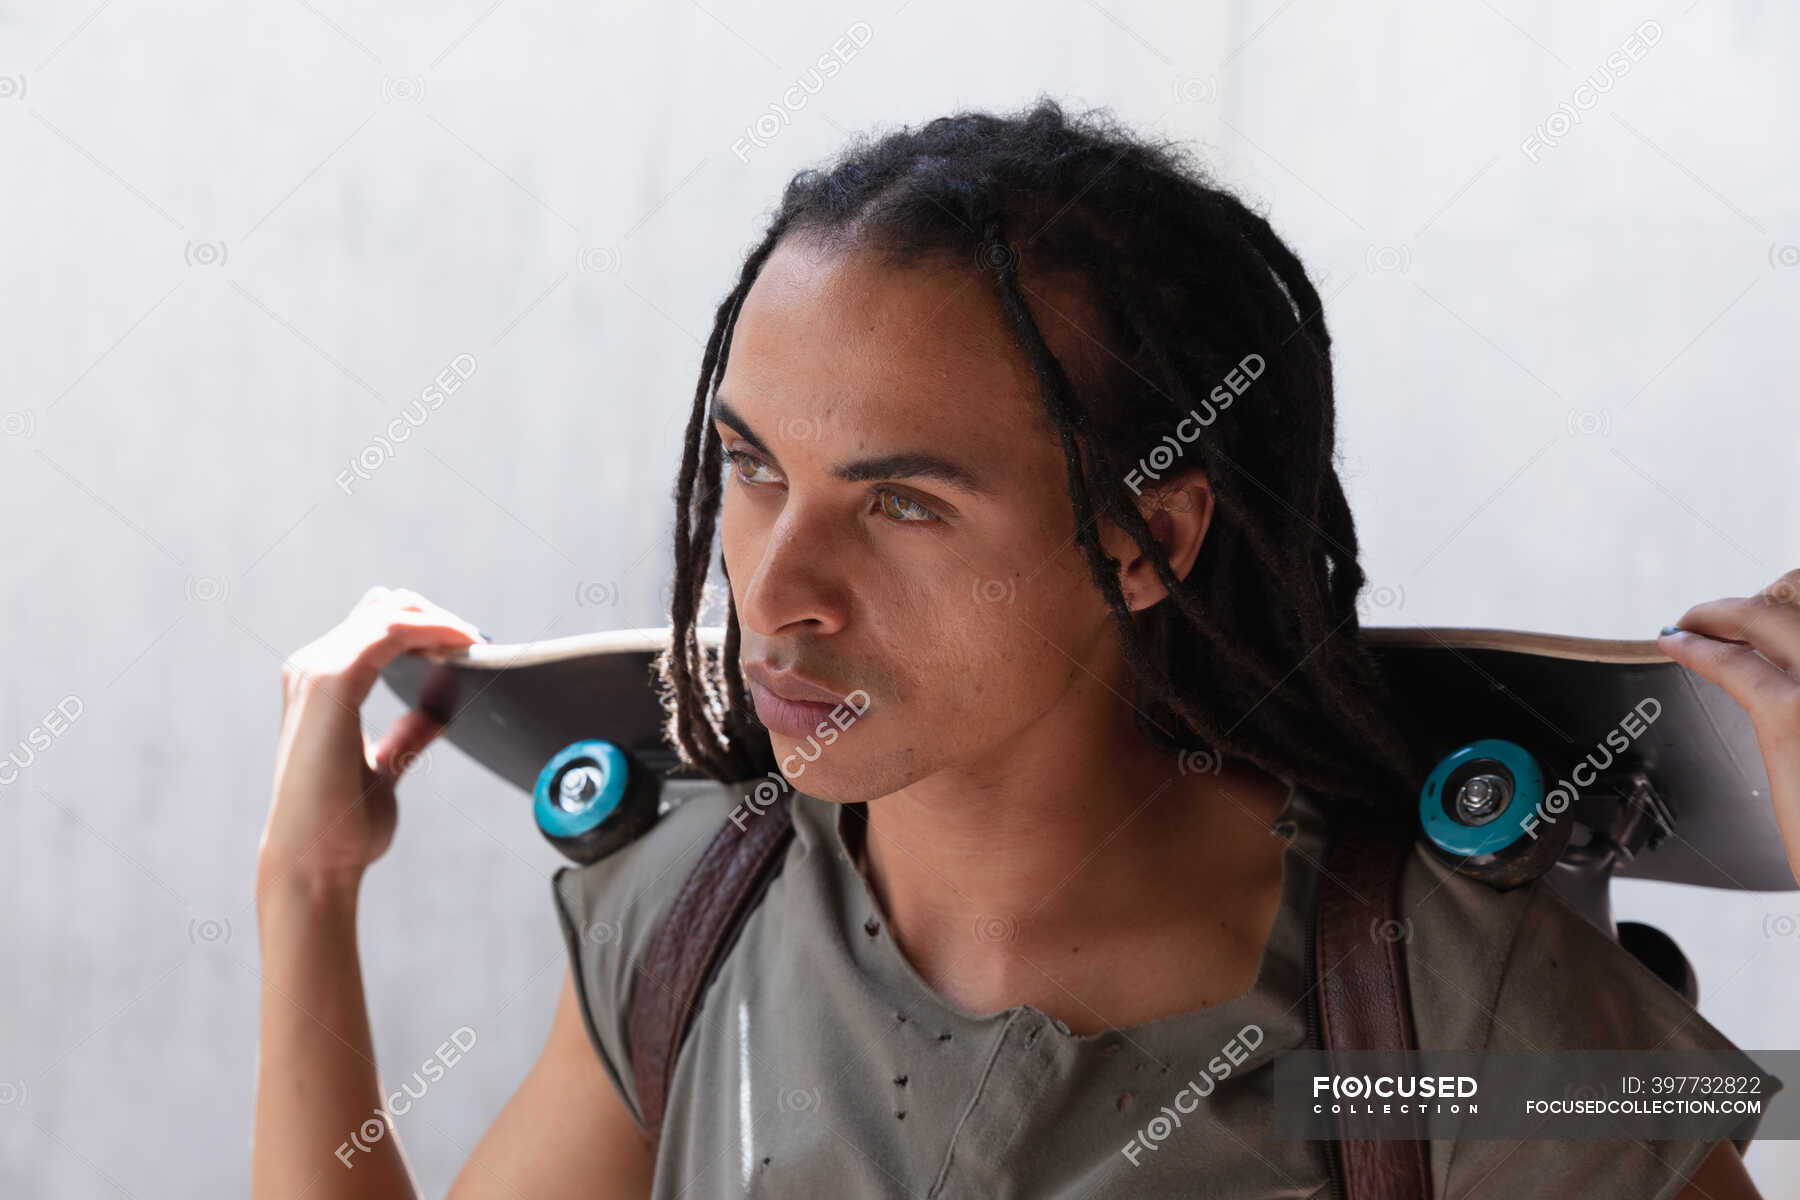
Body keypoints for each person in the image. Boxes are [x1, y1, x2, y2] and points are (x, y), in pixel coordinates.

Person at [253, 98, 1796, 1198]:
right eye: (752, 466)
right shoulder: (695, 920)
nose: (777, 590)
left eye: (904, 503)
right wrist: (304, 898)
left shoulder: (1431, 1009)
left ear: (1147, 540)